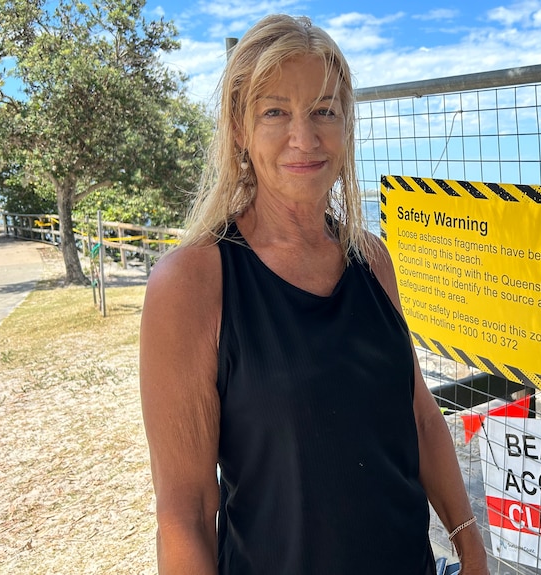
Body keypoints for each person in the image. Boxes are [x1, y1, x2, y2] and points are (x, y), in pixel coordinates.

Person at [139, 14, 489, 575]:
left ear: (347, 124)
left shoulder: (371, 260)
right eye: (275, 111)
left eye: (324, 110)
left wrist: (470, 545)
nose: (305, 137)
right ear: (238, 128)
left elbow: (419, 415)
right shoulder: (192, 283)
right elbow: (187, 512)